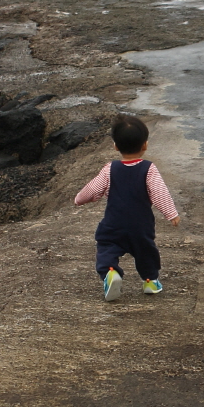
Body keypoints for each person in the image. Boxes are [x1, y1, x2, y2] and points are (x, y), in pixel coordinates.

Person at [74, 114, 180, 301]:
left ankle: (110, 272)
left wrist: (79, 199)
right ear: (145, 145)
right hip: (140, 226)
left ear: (115, 146)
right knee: (146, 252)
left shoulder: (110, 169)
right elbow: (159, 192)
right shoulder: (149, 169)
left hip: (114, 224)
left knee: (107, 247)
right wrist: (171, 213)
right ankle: (150, 281)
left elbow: (93, 189)